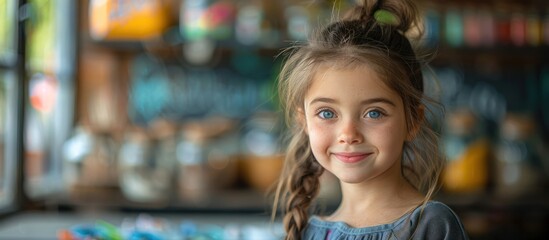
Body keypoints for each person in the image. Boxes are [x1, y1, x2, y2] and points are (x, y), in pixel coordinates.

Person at [272, 0, 469, 239]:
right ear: (303, 121)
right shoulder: (309, 232)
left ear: (413, 121)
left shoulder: (431, 225)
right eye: (327, 113)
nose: (348, 134)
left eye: (374, 113)